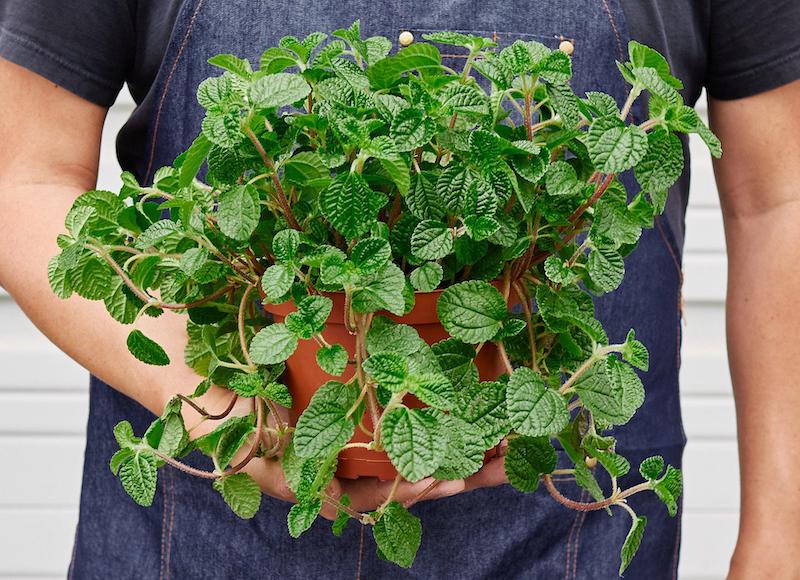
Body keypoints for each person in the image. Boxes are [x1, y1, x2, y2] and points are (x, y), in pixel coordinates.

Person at [1, 1, 799, 578]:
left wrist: (781, 545)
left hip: (566, 537)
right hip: (204, 541)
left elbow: (781, 200)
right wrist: (221, 400)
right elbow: (20, 178)